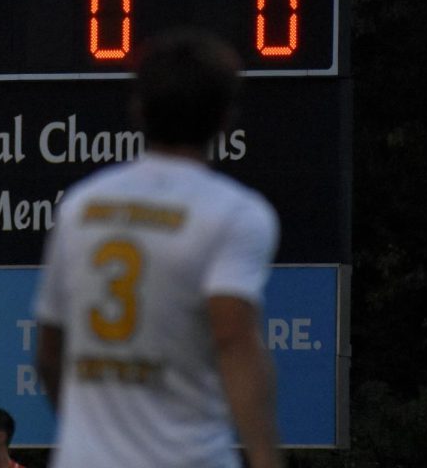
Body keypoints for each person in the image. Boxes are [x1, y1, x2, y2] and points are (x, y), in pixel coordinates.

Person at [34, 28, 283, 468]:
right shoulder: (235, 214)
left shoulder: (81, 206)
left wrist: (88, 437)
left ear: (138, 109)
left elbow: (50, 352)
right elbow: (232, 339)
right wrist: (265, 458)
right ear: (225, 119)